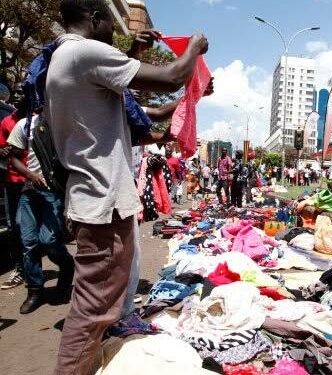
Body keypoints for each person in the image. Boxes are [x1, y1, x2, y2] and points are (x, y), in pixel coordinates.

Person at [46, 1, 210, 373]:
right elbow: (170, 76)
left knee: (100, 305)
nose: (113, 32)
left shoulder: (68, 57)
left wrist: (135, 53)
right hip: (101, 199)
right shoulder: (85, 51)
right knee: (92, 309)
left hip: (96, 198)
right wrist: (193, 49)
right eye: (108, 22)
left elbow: (130, 115)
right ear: (95, 18)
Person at [7, 114, 75, 314]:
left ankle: (67, 266)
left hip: (55, 191)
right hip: (30, 190)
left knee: (49, 240)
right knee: (29, 242)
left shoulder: (65, 120)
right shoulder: (26, 124)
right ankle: (35, 290)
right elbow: (14, 158)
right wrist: (30, 175)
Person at [0, 94, 27, 289]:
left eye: (21, 93)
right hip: (12, 182)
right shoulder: (6, 121)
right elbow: (2, 147)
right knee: (13, 227)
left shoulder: (37, 120)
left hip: (33, 183)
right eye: (15, 93)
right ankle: (20, 268)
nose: (16, 97)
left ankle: (33, 268)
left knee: (29, 229)